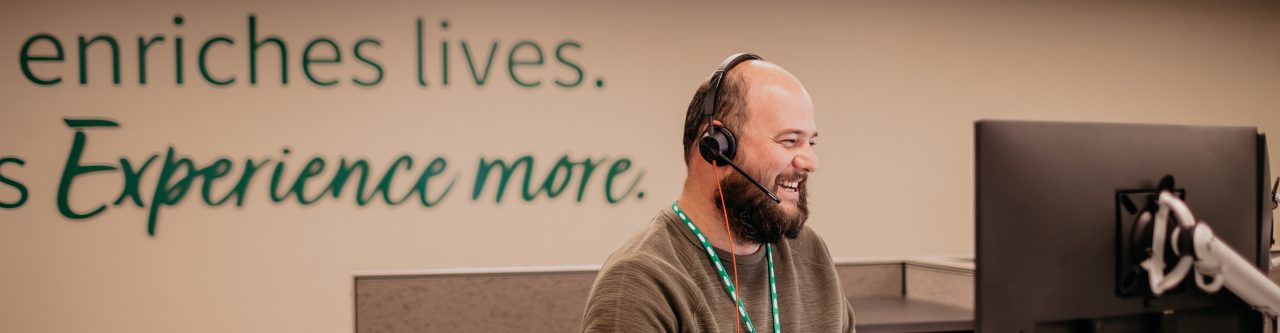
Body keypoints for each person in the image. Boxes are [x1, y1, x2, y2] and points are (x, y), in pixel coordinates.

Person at [581, 54, 856, 333]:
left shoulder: (810, 252)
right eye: (789, 141)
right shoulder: (640, 283)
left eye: (810, 142)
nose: (811, 162)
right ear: (718, 148)